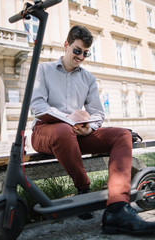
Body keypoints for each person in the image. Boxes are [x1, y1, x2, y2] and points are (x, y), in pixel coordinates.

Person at [30, 25, 155, 234]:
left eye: (85, 53)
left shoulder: (88, 78)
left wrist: (90, 128)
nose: (80, 57)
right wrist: (68, 120)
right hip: (46, 131)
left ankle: (117, 207)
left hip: (75, 134)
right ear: (66, 45)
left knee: (122, 134)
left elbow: (97, 112)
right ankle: (83, 187)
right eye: (77, 51)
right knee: (62, 130)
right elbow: (39, 106)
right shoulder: (44, 70)